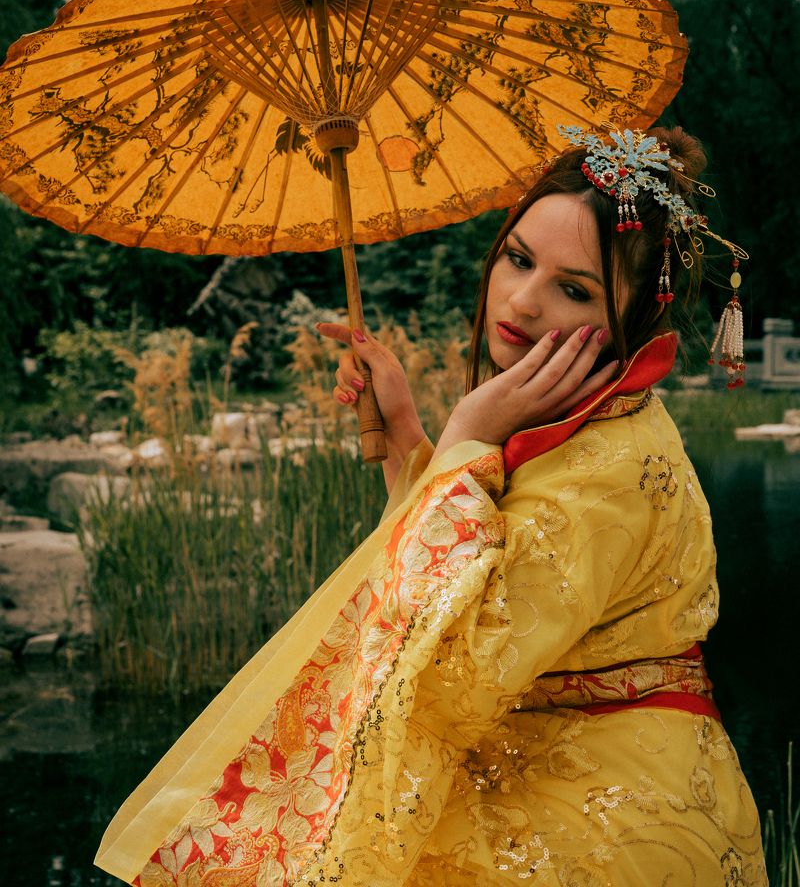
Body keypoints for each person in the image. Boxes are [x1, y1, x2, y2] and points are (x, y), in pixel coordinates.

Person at [95, 125, 766, 886]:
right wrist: (412, 441)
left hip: (610, 811)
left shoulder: (608, 468)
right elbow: (466, 581)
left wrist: (466, 436)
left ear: (636, 316)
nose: (522, 301)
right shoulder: (591, 420)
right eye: (519, 259)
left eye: (574, 289)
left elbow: (444, 673)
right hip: (572, 762)